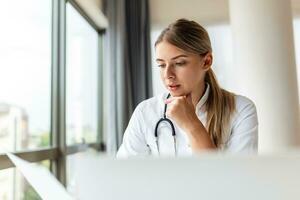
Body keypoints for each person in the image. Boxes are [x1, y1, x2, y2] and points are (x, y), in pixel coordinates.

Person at [117, 19, 258, 157]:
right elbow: (124, 173)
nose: (168, 75)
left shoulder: (241, 110)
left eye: (179, 63)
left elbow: (238, 178)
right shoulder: (145, 112)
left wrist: (191, 123)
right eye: (161, 65)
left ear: (206, 61)